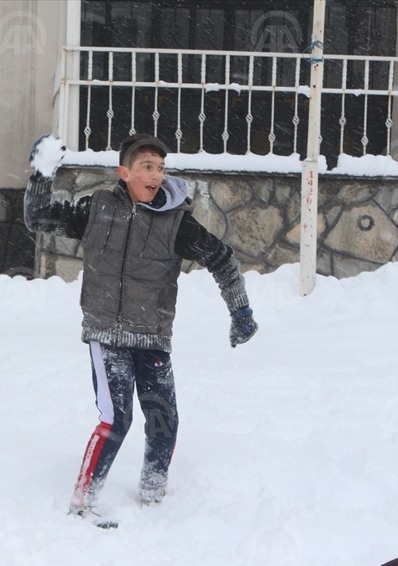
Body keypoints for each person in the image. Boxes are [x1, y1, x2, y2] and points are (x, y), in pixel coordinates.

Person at [24, 133, 257, 527]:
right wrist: (42, 175)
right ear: (125, 172)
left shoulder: (177, 221)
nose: (156, 175)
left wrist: (241, 311)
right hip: (106, 334)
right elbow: (39, 218)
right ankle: (82, 502)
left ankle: (153, 495)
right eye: (147, 167)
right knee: (117, 419)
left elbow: (222, 258)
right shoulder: (95, 209)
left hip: (152, 336)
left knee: (164, 419)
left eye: (161, 168)